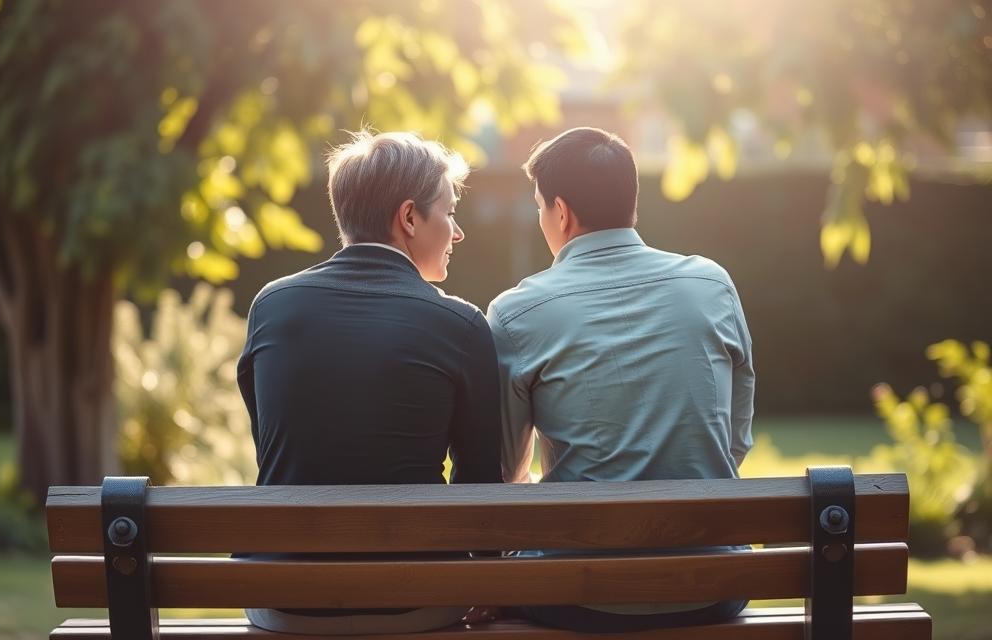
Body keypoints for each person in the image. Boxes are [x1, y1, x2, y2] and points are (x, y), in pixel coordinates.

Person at [486, 127, 755, 632]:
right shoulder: (711, 284)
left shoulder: (518, 313)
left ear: (560, 213)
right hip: (713, 584)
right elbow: (733, 439)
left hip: (578, 595)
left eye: (540, 207)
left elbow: (506, 478)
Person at [237, 130, 502, 635]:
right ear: (408, 218)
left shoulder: (271, 307)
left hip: (284, 600)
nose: (458, 231)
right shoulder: (461, 326)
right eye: (448, 212)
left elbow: (273, 447)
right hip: (416, 603)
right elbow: (480, 488)